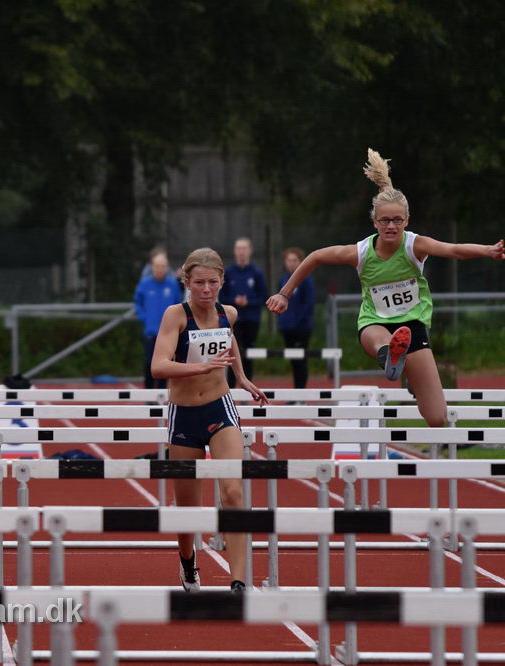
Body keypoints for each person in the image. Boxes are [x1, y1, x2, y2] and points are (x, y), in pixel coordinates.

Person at [267, 148, 504, 428]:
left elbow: (454, 250)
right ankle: (390, 354)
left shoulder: (415, 245)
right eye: (384, 221)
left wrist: (488, 250)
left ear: (407, 220)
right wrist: (285, 293)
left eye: (397, 220)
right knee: (381, 340)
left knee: (438, 418)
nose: (391, 226)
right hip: (375, 323)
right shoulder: (361, 252)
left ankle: (406, 371)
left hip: (412, 326)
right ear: (374, 221)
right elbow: (316, 256)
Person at [151, 247, 268, 594]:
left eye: (212, 283)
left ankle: (239, 581)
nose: (206, 289)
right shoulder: (176, 316)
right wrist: (199, 367)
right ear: (186, 282)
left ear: (222, 282)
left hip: (220, 408)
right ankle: (188, 562)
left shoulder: (226, 313)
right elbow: (158, 366)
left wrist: (242, 378)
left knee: (232, 491)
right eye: (199, 283)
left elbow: (229, 344)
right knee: (188, 506)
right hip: (184, 414)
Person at [219, 237, 267, 387]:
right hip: (234, 321)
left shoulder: (257, 273)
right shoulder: (228, 273)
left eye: (244, 248)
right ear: (234, 251)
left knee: (248, 355)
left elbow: (264, 297)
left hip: (252, 319)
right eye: (239, 248)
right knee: (232, 353)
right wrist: (235, 300)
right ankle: (231, 389)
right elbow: (222, 297)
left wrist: (249, 302)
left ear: (250, 251)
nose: (241, 252)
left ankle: (248, 387)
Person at [134, 251, 182, 388]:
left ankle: (161, 394)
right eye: (157, 266)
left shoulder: (172, 284)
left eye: (163, 266)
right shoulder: (145, 284)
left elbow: (178, 304)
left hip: (168, 332)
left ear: (167, 267)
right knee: (149, 362)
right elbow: (138, 303)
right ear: (152, 267)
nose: (160, 269)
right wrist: (145, 318)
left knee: (166, 363)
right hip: (151, 331)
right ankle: (148, 395)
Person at [277, 248, 316, 389]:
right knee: (293, 361)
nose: (291, 263)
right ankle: (296, 394)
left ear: (301, 262)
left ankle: (301, 394)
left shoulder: (306, 280)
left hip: (301, 328)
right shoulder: (282, 279)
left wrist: (297, 322)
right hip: (286, 328)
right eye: (289, 260)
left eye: (295, 260)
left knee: (301, 361)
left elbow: (309, 304)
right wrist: (282, 322)